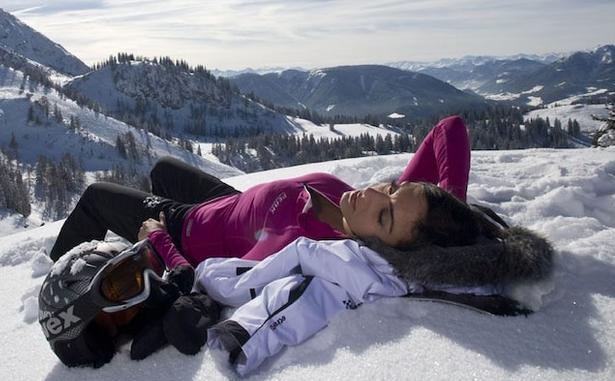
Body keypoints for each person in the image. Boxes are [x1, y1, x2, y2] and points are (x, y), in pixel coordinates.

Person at [49, 115, 492, 271]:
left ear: (382, 245)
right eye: (392, 190)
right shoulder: (359, 206)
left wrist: (158, 239)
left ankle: (58, 273)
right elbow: (448, 130)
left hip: (186, 230)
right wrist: (450, 209)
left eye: (385, 217)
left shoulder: (296, 248)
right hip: (228, 204)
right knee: (162, 167)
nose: (374, 194)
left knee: (94, 198)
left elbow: (209, 289)